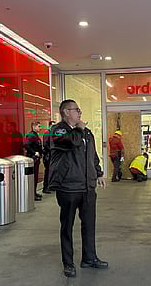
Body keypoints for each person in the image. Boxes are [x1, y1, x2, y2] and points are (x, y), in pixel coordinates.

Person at [49, 99, 107, 278]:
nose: (80, 113)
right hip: (68, 187)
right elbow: (70, 143)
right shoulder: (58, 130)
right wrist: (79, 128)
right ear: (66, 112)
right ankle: (68, 264)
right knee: (67, 226)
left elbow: (93, 155)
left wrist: (98, 173)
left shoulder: (86, 132)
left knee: (89, 224)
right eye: (76, 110)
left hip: (87, 187)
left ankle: (89, 258)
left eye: (80, 110)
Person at [24, 121, 43, 201]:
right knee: (33, 177)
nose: (40, 128)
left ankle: (34, 193)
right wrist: (34, 152)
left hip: (36, 159)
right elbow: (26, 145)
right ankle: (32, 195)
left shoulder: (35, 135)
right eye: (38, 126)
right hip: (33, 159)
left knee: (35, 177)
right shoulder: (31, 135)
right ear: (34, 127)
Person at [42, 121, 55, 194]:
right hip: (48, 155)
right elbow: (45, 144)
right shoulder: (47, 133)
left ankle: (50, 186)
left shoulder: (53, 133)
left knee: (51, 171)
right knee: (48, 171)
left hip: (52, 155)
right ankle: (45, 187)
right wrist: (51, 150)